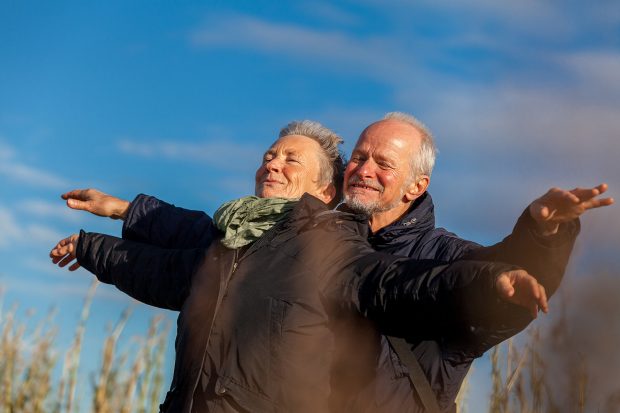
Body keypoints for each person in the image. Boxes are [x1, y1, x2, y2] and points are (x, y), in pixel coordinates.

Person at [51, 121, 552, 413]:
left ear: (325, 191)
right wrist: (98, 238)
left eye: (292, 160)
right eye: (270, 154)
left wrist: (501, 273)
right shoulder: (237, 239)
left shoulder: (332, 251)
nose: (273, 163)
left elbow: (408, 284)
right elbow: (174, 259)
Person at [340, 111, 614, 411]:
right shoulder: (316, 243)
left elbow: (501, 275)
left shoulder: (446, 256)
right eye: (358, 157)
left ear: (416, 186)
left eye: (384, 163)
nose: (364, 170)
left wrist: (542, 232)